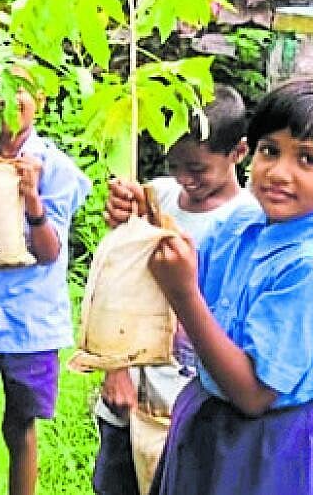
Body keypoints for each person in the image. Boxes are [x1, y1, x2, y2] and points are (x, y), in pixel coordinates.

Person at [106, 77, 313, 495]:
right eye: (270, 151)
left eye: (307, 160)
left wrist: (184, 293)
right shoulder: (242, 224)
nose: (278, 172)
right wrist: (144, 226)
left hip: (276, 444)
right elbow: (185, 278)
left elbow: (252, 394)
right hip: (209, 418)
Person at [92, 84, 256, 495]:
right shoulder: (156, 198)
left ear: (238, 152)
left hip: (193, 405)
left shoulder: (251, 222)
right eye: (175, 164)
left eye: (197, 169)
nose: (184, 178)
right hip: (132, 399)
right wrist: (117, 370)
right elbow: (120, 286)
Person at [0, 80, 90, 495]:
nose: (9, 103)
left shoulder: (57, 169)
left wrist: (32, 200)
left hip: (29, 321)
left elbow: (50, 252)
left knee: (22, 422)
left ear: (42, 99)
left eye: (22, 91)